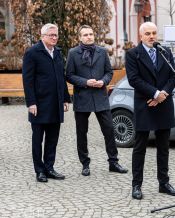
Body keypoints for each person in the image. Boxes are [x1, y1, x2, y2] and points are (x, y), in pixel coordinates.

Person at [125, 22, 175, 200]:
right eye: (147, 33)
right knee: (140, 147)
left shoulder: (165, 52)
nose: (151, 36)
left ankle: (163, 183)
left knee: (163, 147)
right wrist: (155, 93)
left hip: (163, 103)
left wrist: (163, 93)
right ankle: (136, 185)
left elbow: (174, 76)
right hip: (145, 104)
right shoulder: (133, 54)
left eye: (154, 33)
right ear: (140, 36)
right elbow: (134, 79)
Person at [66, 25, 127, 176]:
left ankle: (113, 162)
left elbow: (108, 72)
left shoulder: (102, 51)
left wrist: (103, 81)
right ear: (80, 37)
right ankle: (85, 164)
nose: (89, 37)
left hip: (100, 97)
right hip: (82, 97)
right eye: (85, 35)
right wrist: (85, 82)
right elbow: (69, 75)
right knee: (82, 133)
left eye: (91, 34)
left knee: (109, 130)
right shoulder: (73, 53)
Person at [22, 23, 71, 182]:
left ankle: (49, 167)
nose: (55, 38)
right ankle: (39, 171)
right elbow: (27, 80)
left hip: (55, 103)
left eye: (56, 35)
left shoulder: (57, 52)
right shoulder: (32, 53)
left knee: (52, 138)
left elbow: (61, 77)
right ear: (42, 36)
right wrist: (31, 103)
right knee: (38, 139)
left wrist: (65, 98)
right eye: (51, 35)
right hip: (39, 104)